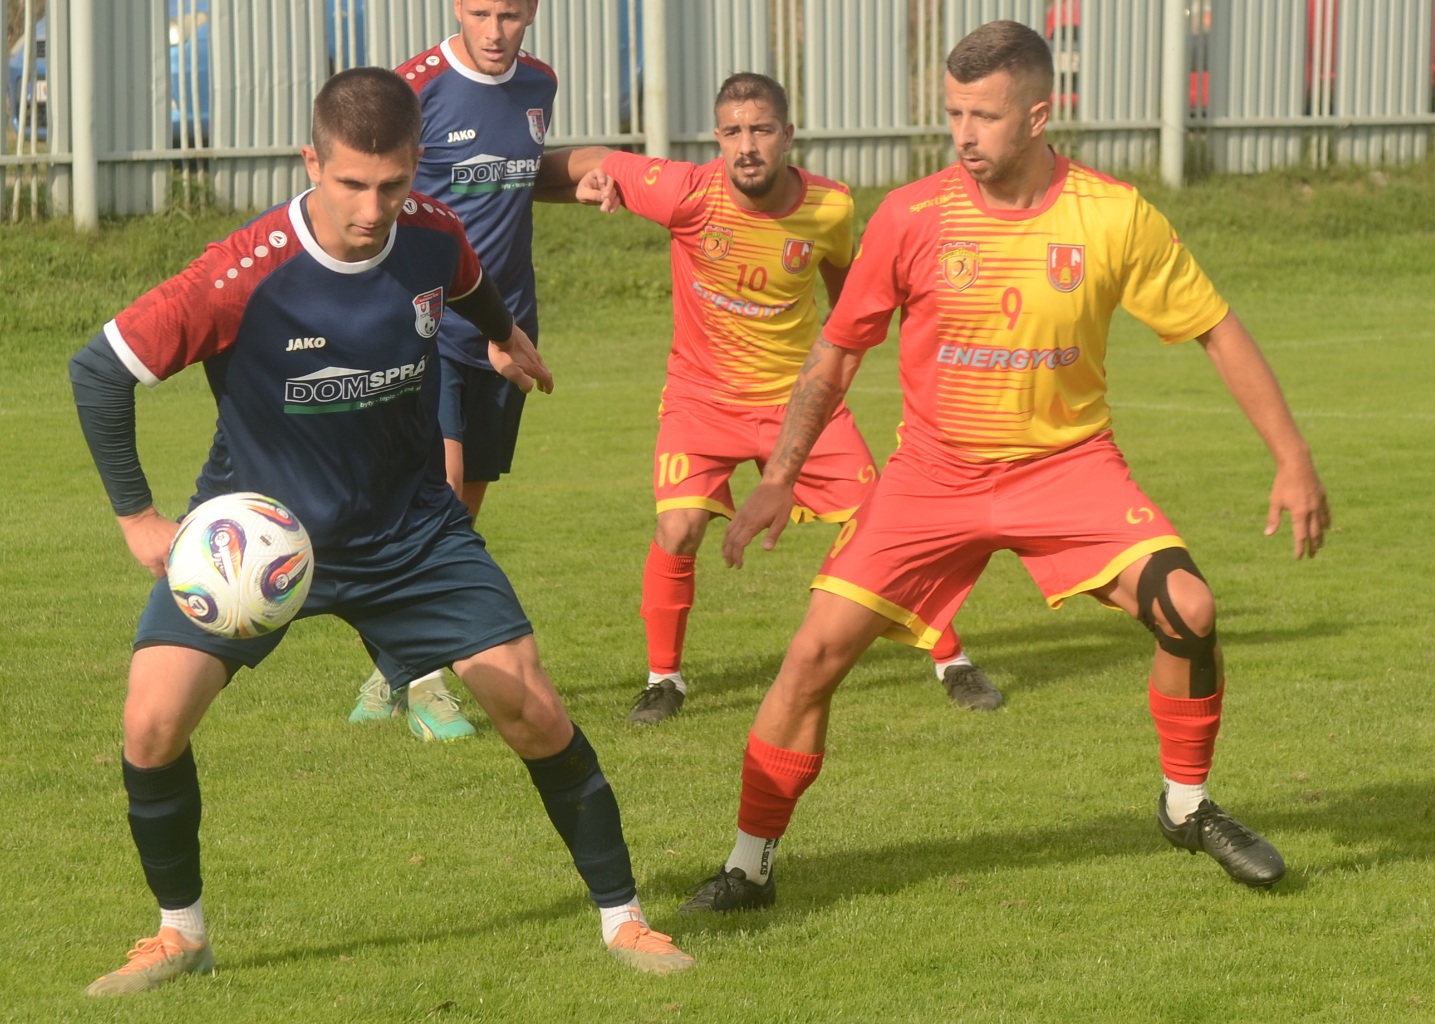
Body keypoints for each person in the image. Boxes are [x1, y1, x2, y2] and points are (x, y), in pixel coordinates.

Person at [679, 21, 1330, 912]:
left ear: (1036, 115)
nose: (963, 134)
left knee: (1189, 609)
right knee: (812, 658)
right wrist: (780, 478)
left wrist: (1292, 458)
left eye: (983, 116)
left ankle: (1185, 807)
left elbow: (1214, 328)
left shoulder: (1110, 214)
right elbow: (836, 351)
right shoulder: (912, 215)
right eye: (953, 113)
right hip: (931, 478)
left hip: (1067, 469)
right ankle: (748, 865)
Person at [69, 67, 693, 995]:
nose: (372, 209)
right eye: (352, 184)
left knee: (531, 708)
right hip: (257, 546)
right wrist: (137, 517)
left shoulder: (430, 233)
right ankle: (180, 935)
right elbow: (98, 370)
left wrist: (501, 333)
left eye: (393, 184)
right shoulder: (241, 272)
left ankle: (624, 921)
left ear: (415, 167)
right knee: (151, 722)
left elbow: (468, 280)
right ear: (310, 162)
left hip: (410, 533)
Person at [579, 72, 1000, 725]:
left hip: (799, 403)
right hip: (702, 401)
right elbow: (586, 161)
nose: (746, 145)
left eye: (761, 129)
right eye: (732, 132)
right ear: (717, 137)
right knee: (677, 527)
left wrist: (837, 377)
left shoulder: (830, 207)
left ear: (787, 134)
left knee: (884, 527)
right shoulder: (682, 191)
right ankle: (663, 680)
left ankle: (952, 660)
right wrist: (571, 181)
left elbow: (849, 306)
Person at [348, 0, 613, 742]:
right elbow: (364, 200)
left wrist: (582, 176)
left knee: (460, 513)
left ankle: (397, 660)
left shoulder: (538, 84)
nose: (496, 32)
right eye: (480, 13)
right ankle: (429, 685)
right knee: (438, 498)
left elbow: (515, 176)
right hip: (424, 327)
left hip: (506, 328)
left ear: (533, 12)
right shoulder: (409, 89)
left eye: (511, 15)